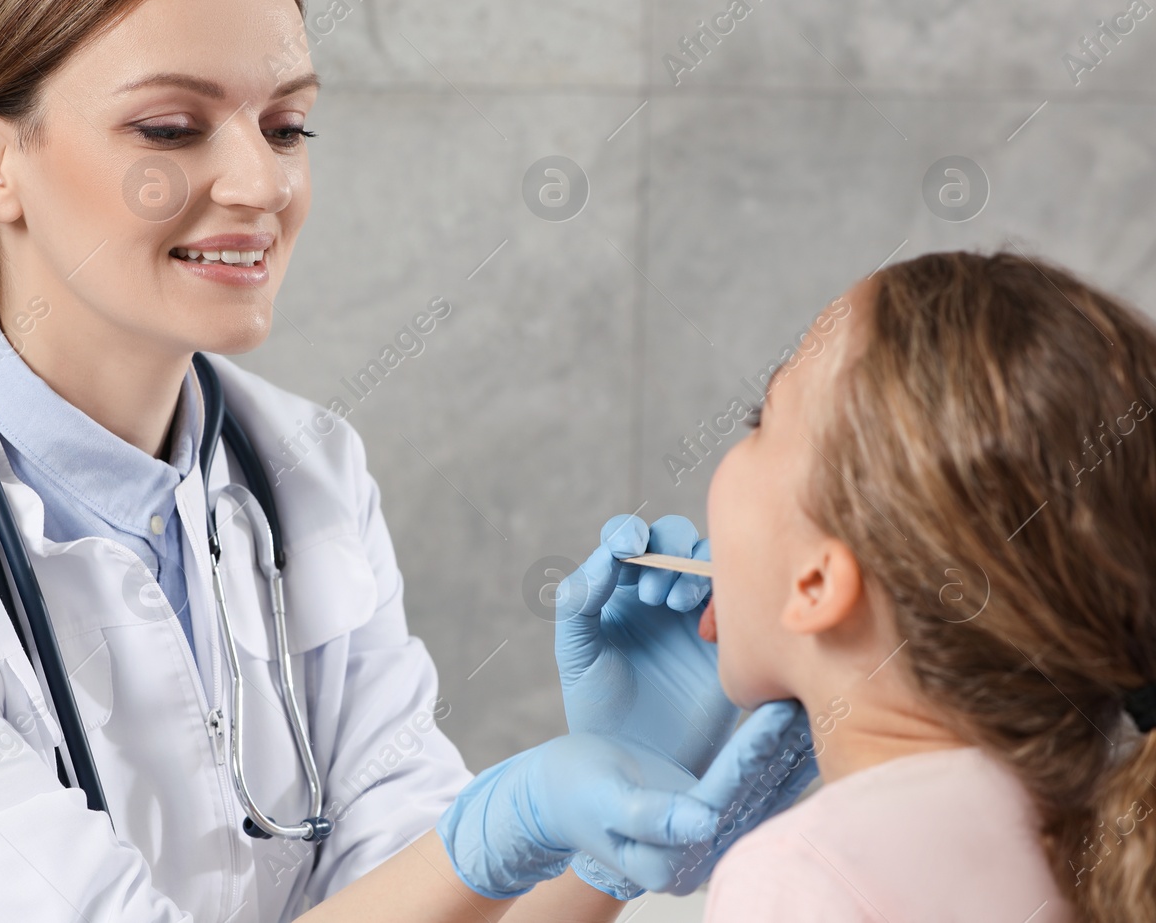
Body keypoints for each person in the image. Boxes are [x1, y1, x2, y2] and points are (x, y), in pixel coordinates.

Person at [0, 0, 810, 921]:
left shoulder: (301, 469)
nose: (260, 183)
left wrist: (620, 804)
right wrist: (501, 824)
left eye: (285, 125)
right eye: (169, 128)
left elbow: (423, 907)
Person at [424, 250, 1156, 921]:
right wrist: (597, 862)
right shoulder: (1103, 826)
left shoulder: (802, 878)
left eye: (760, 419)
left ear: (814, 581)